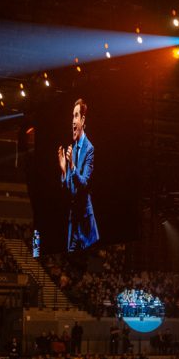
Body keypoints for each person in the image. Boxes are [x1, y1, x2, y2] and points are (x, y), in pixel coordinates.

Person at [58, 98, 100, 252]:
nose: (73, 121)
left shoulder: (89, 149)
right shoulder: (73, 149)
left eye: (76, 116)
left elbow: (84, 183)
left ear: (82, 120)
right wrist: (64, 170)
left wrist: (71, 166)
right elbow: (69, 189)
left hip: (85, 222)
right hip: (73, 220)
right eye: (72, 116)